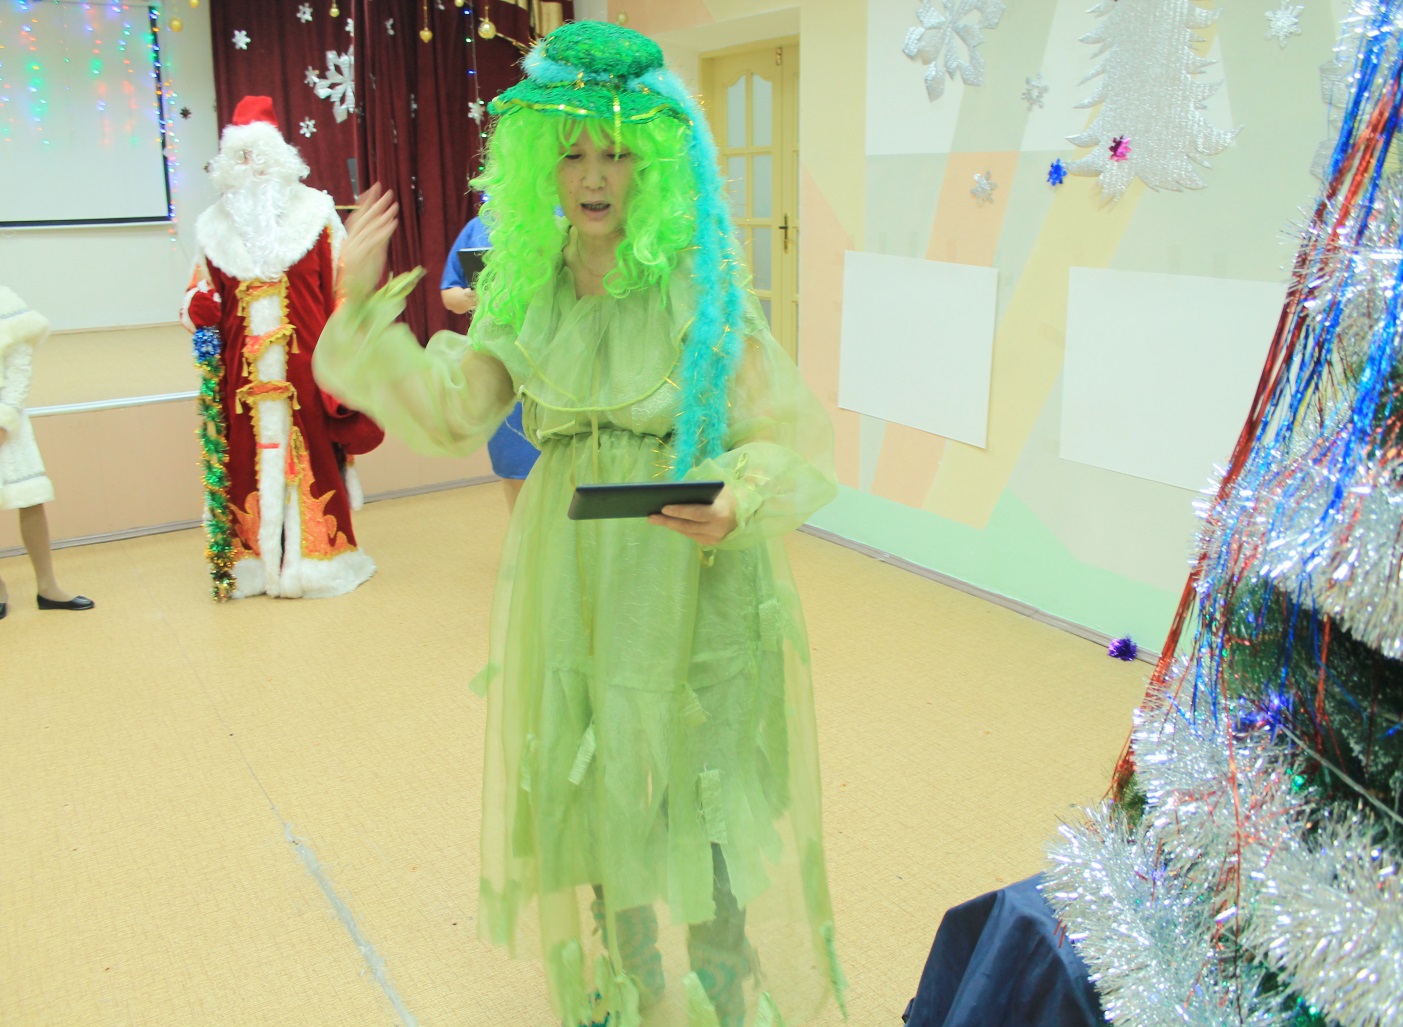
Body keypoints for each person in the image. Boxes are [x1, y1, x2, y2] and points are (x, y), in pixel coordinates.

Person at [314, 23, 844, 1027]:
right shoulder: (525, 284)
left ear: (656, 165)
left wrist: (739, 494)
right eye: (571, 152)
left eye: (617, 153)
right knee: (594, 778)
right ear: (538, 164)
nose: (593, 176)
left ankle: (723, 993)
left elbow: (786, 432)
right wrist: (357, 302)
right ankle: (628, 988)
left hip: (689, 568)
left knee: (700, 784)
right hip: (574, 570)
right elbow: (453, 410)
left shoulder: (698, 283)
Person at [181, 96, 382, 600]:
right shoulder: (212, 228)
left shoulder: (317, 214)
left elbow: (345, 287)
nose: (253, 168)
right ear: (229, 165)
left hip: (307, 371)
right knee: (245, 462)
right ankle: (252, 564)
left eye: (261, 156)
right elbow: (194, 299)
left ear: (282, 158)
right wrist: (197, 306)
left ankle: (321, 562)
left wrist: (344, 351)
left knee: (313, 460)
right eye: (242, 158)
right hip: (242, 379)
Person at [0, 287, 94, 619]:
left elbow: (19, 369)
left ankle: (47, 587)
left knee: (30, 498)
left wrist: (5, 419)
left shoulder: (5, 301)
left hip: (5, 420)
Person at [440, 210, 540, 510]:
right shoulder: (479, 227)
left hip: (554, 362)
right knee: (515, 467)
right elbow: (450, 293)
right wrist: (473, 296)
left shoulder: (566, 216)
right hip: (500, 366)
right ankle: (521, 538)